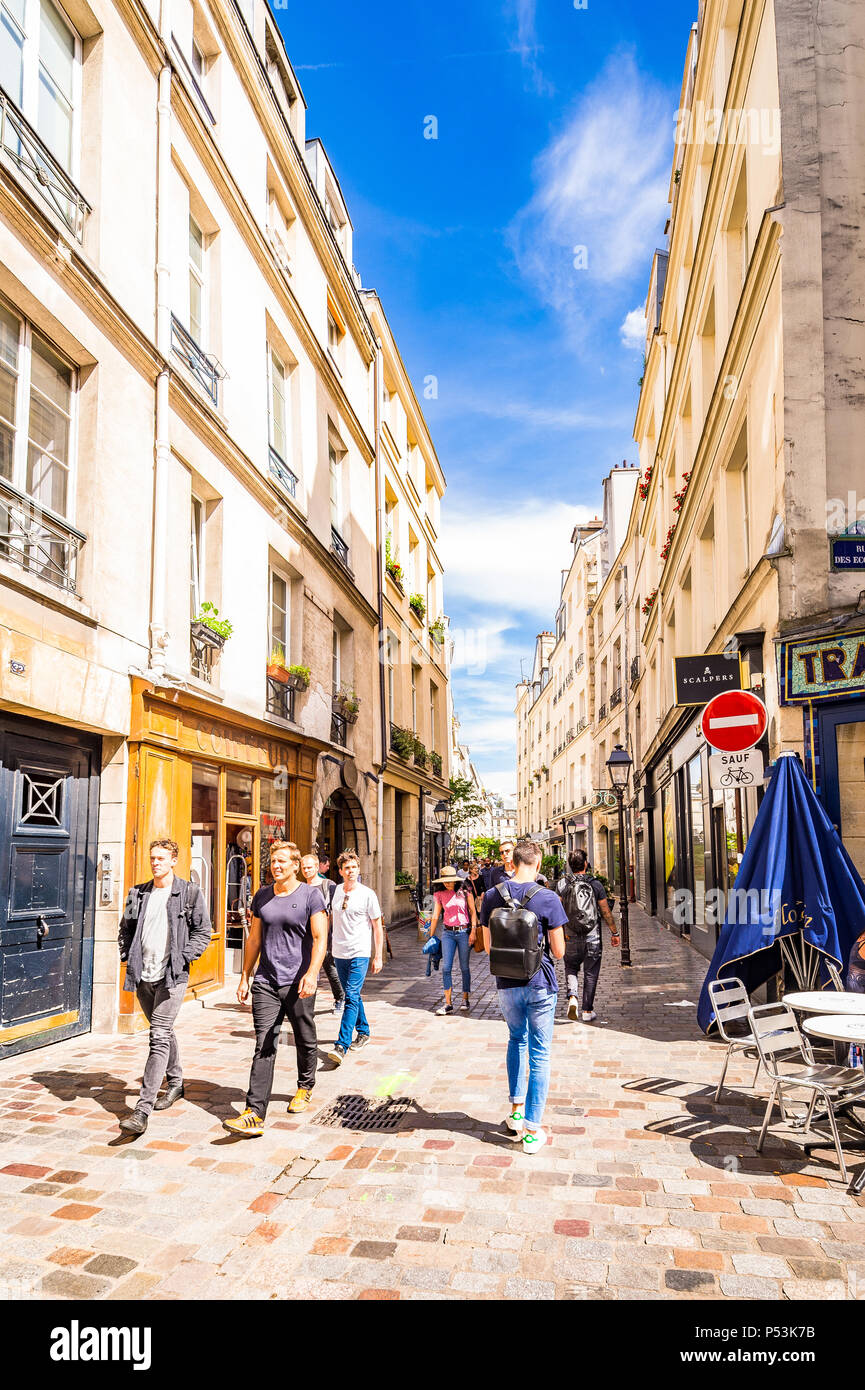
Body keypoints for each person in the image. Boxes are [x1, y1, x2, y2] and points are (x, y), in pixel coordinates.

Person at [223, 841, 328, 1135]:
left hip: (299, 981)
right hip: (266, 981)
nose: (276, 865)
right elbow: (254, 939)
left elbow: (320, 939)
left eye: (282, 861)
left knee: (305, 1036)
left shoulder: (311, 896)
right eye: (273, 861)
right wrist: (245, 975)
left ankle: (305, 1085)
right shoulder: (262, 896)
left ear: (296, 865)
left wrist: (312, 973)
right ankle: (254, 1113)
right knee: (264, 1044)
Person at [117, 838, 212, 1135]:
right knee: (164, 1031)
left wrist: (185, 957)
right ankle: (176, 1083)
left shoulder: (190, 893)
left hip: (172, 976)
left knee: (157, 1036)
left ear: (174, 860)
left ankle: (141, 1111)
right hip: (143, 975)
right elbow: (126, 929)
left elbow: (203, 931)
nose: (155, 862)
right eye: (152, 858)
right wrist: (126, 954)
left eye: (161, 858)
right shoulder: (138, 893)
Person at [480, 839, 566, 1154]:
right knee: (540, 1053)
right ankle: (532, 1131)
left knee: (516, 1040)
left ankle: (516, 1113)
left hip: (506, 983)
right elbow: (559, 951)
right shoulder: (548, 898)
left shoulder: (490, 897)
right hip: (540, 983)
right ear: (538, 864)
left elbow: (488, 947)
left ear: (512, 863)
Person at [327, 849, 384, 1066]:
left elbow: (377, 926)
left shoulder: (367, 894)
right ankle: (364, 1031)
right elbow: (331, 920)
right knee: (353, 995)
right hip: (339, 952)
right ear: (341, 871)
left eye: (354, 867)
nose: (351, 871)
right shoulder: (336, 892)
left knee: (350, 995)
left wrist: (377, 956)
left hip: (359, 952)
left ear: (358, 869)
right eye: (347, 868)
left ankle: (341, 1044)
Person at [556, 849, 618, 1023]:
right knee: (591, 972)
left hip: (570, 935)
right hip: (593, 936)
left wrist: (558, 932)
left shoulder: (562, 884)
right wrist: (614, 932)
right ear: (585, 864)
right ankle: (587, 1011)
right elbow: (605, 911)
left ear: (570, 865)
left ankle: (573, 997)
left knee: (571, 967)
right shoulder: (595, 884)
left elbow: (557, 911)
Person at [429, 865, 477, 1015]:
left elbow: (473, 912)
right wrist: (430, 937)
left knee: (464, 967)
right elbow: (436, 915)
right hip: (448, 933)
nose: (448, 884)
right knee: (446, 968)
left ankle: (465, 998)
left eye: (450, 881)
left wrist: (473, 931)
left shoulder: (465, 891)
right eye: (445, 881)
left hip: (464, 932)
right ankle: (448, 1003)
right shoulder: (439, 894)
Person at [300, 852, 343, 1016]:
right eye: (304, 868)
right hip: (306, 936)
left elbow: (335, 911)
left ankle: (340, 998)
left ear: (317, 867)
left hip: (325, 935)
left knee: (330, 968)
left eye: (309, 867)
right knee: (309, 970)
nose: (306, 870)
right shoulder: (301, 887)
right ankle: (305, 1004)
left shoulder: (328, 885)